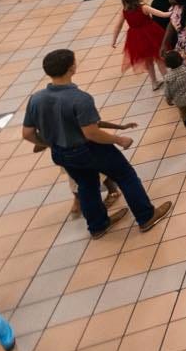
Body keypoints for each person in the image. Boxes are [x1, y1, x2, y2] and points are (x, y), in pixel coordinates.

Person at [21, 49, 173, 239]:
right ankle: (146, 216)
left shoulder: (36, 99)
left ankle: (98, 226)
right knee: (125, 176)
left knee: (86, 185)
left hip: (61, 153)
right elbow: (91, 132)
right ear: (72, 68)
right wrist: (119, 139)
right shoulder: (80, 99)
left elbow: (27, 133)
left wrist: (51, 143)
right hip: (89, 149)